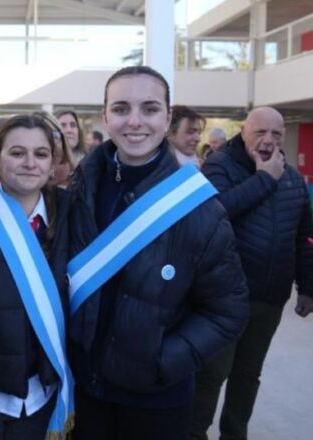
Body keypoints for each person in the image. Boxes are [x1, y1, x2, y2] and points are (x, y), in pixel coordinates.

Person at [66, 66, 249, 440]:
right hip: (82, 389)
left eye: (149, 109)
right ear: (105, 117)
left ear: (167, 117)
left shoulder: (199, 208)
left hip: (156, 402)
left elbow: (227, 310)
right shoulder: (78, 190)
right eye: (121, 109)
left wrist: (163, 362)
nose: (134, 121)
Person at [191, 107, 313, 440]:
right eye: (260, 132)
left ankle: (235, 434)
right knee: (212, 373)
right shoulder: (220, 164)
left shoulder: (291, 176)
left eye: (276, 133)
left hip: (270, 298)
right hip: (225, 297)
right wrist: (264, 179)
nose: (269, 141)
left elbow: (303, 236)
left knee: (247, 375)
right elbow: (215, 213)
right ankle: (193, 433)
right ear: (243, 132)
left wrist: (307, 286)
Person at [0, 114, 75, 440]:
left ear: (54, 164)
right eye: (17, 153)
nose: (29, 163)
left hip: (45, 398)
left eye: (40, 154)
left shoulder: (71, 213)